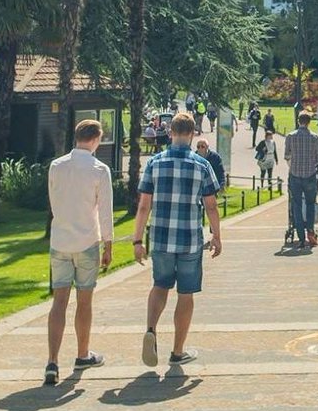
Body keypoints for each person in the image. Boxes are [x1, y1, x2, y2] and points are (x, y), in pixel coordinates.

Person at [133, 111, 221, 368]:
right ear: (193, 134)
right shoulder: (202, 165)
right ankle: (178, 350)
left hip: (160, 238)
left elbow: (143, 206)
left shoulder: (154, 163)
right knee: (186, 293)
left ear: (170, 133)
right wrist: (216, 235)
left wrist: (137, 241)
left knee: (160, 285)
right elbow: (212, 205)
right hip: (189, 239)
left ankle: (150, 328)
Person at [44, 119, 114, 385]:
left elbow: (54, 201)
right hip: (86, 241)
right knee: (84, 301)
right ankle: (82, 353)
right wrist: (108, 243)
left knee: (59, 301)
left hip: (60, 240)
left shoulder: (57, 166)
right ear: (95, 139)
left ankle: (52, 360)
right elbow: (105, 210)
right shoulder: (99, 170)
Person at [284, 110, 318, 248]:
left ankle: (300, 236)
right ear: (309, 122)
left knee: (297, 205)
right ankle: (310, 231)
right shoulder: (315, 138)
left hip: (295, 174)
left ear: (298, 121)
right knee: (311, 204)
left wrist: (292, 165)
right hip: (310, 174)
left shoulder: (290, 136)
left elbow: (287, 155)